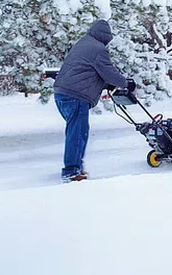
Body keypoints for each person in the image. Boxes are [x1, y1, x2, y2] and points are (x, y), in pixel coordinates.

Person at [53, 19, 134, 182]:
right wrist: (126, 83)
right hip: (75, 95)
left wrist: (106, 84)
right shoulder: (97, 49)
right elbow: (109, 72)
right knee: (77, 133)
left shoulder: (83, 44)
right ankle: (71, 171)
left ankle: (75, 166)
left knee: (77, 132)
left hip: (62, 93)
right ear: (105, 36)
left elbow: (87, 72)